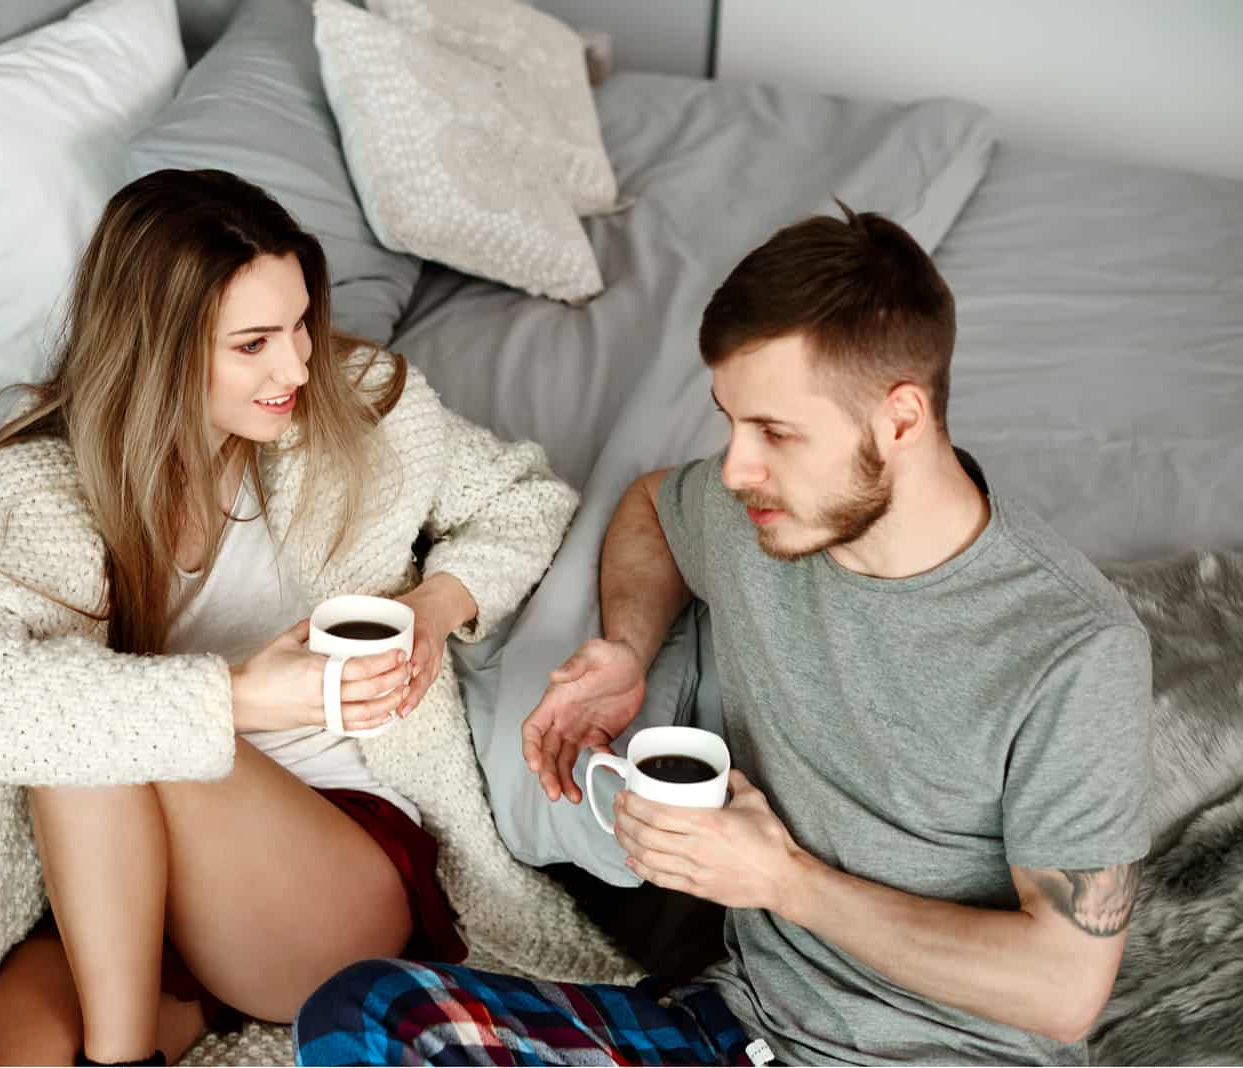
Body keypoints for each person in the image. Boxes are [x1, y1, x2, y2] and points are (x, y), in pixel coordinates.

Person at [294, 205, 1152, 1066]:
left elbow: (1065, 989)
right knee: (367, 1013)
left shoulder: (1073, 650)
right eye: (732, 422)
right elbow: (652, 510)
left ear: (900, 420)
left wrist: (785, 883)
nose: (738, 468)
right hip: (735, 1028)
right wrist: (629, 651)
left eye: (776, 433)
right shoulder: (763, 518)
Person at [0, 168, 596, 1066]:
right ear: (157, 348)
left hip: (338, 846)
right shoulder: (39, 488)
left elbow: (526, 499)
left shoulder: (360, 400)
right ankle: (143, 1029)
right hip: (134, 873)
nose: (296, 365)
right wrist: (240, 699)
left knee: (88, 728)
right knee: (1, 1057)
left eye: (300, 323)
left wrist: (429, 607)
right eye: (254, 342)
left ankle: (122, 1058)